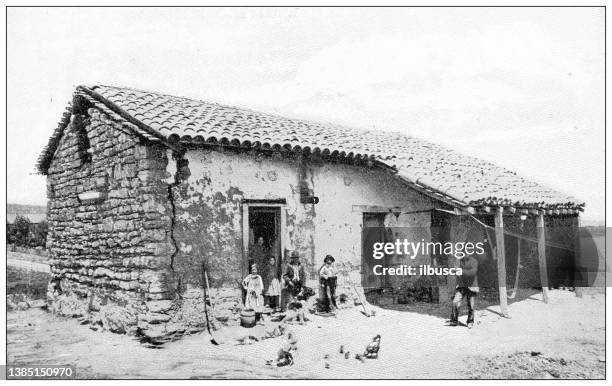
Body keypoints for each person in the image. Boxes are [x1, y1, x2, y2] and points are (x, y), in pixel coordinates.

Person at [450, 255, 479, 328]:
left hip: (471, 286)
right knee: (455, 302)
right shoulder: (458, 261)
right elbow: (455, 270)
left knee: (471, 306)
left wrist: (462, 271)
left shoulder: (474, 261)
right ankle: (454, 320)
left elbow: (473, 271)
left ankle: (470, 321)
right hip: (461, 286)